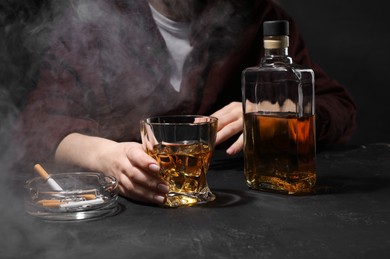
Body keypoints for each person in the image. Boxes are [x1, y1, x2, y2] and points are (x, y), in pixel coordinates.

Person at [13, 0, 356, 205]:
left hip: (254, 208)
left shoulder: (259, 16)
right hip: (125, 223)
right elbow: (39, 122)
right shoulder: (92, 21)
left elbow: (336, 107)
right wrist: (105, 157)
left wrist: (269, 116)